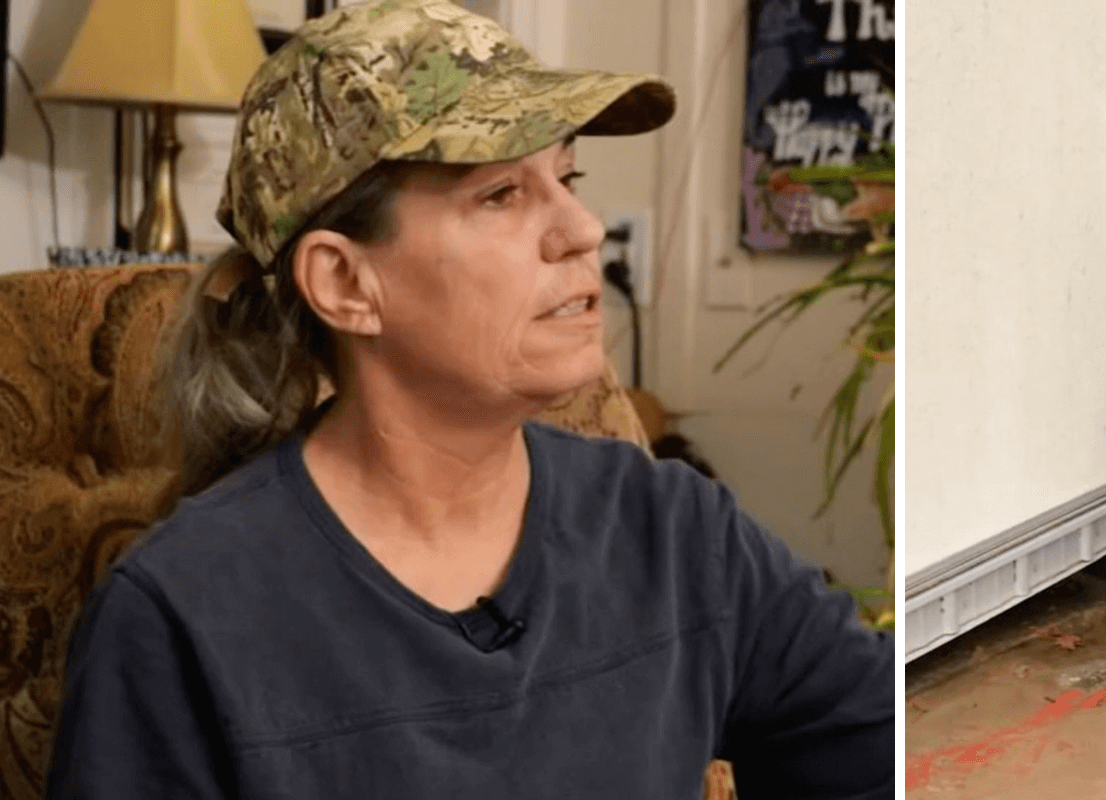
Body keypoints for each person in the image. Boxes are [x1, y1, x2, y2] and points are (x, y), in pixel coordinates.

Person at [44, 1, 894, 796]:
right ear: (344, 282)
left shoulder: (676, 533)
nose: (582, 230)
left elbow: (885, 747)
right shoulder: (178, 620)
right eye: (501, 195)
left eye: (569, 178)